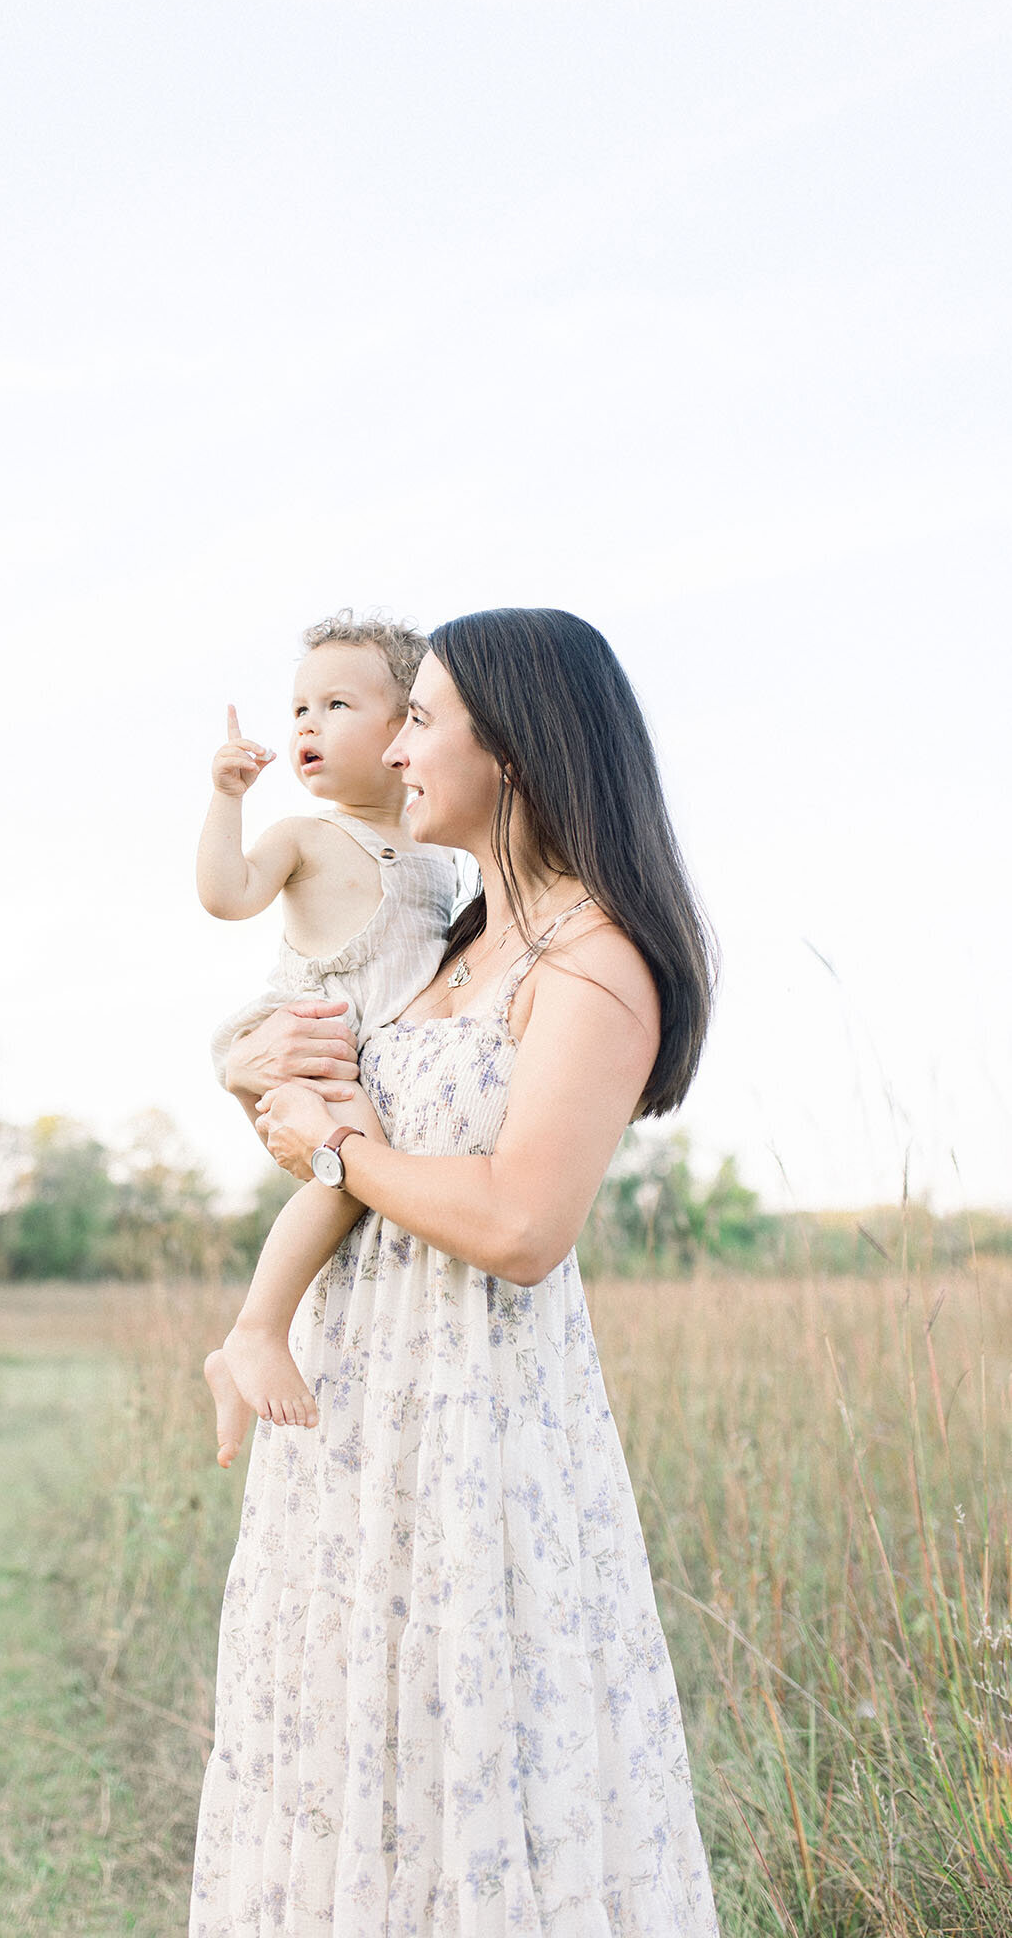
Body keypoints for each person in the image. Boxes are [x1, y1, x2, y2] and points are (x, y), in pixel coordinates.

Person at [190, 607, 722, 1935]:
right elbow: (352, 1160)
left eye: (423, 719)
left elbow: (518, 1227)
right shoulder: (453, 945)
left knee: (474, 1756)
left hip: (475, 1430)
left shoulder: (592, 960)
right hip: (354, 1419)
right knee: (348, 1756)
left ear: (521, 750)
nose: (401, 749)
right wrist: (253, 1078)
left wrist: (335, 1145)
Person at [199, 613, 456, 1467]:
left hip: (368, 1061)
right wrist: (227, 798)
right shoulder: (306, 835)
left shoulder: (436, 848)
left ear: (406, 725)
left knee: (353, 1178)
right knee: (347, 1171)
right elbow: (226, 896)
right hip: (309, 1038)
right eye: (299, 708)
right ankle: (254, 1331)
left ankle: (239, 1360)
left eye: (336, 703)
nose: (306, 724)